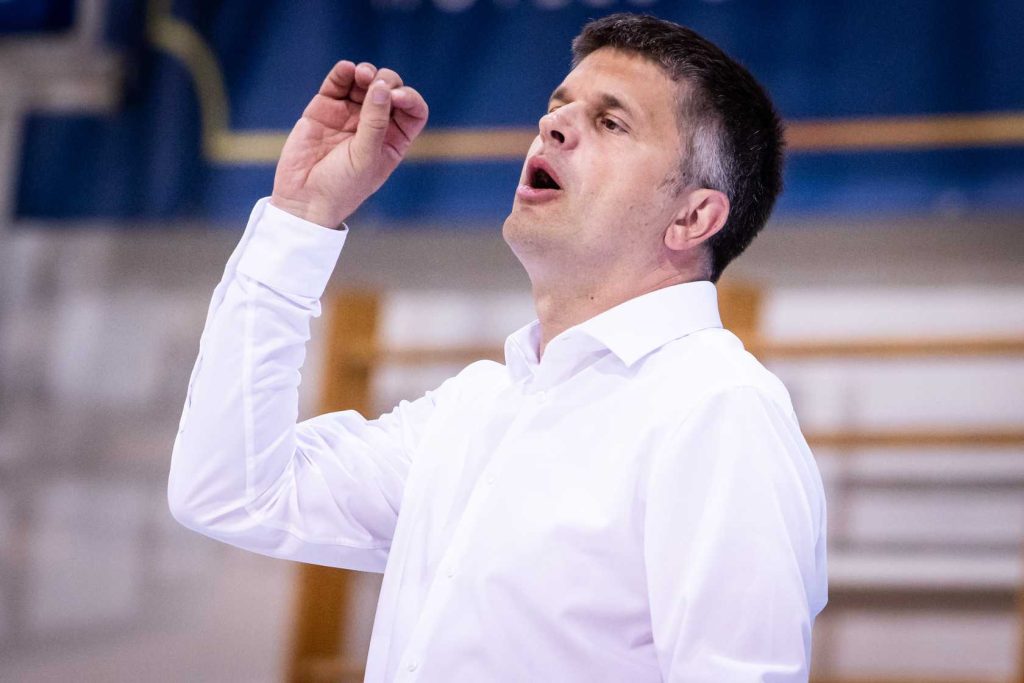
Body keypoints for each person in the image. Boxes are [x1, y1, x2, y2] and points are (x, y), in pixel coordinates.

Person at [169, 12, 827, 683]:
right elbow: (232, 493)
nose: (553, 124)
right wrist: (301, 217)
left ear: (693, 217)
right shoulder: (475, 408)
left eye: (611, 122)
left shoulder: (718, 409)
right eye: (560, 105)